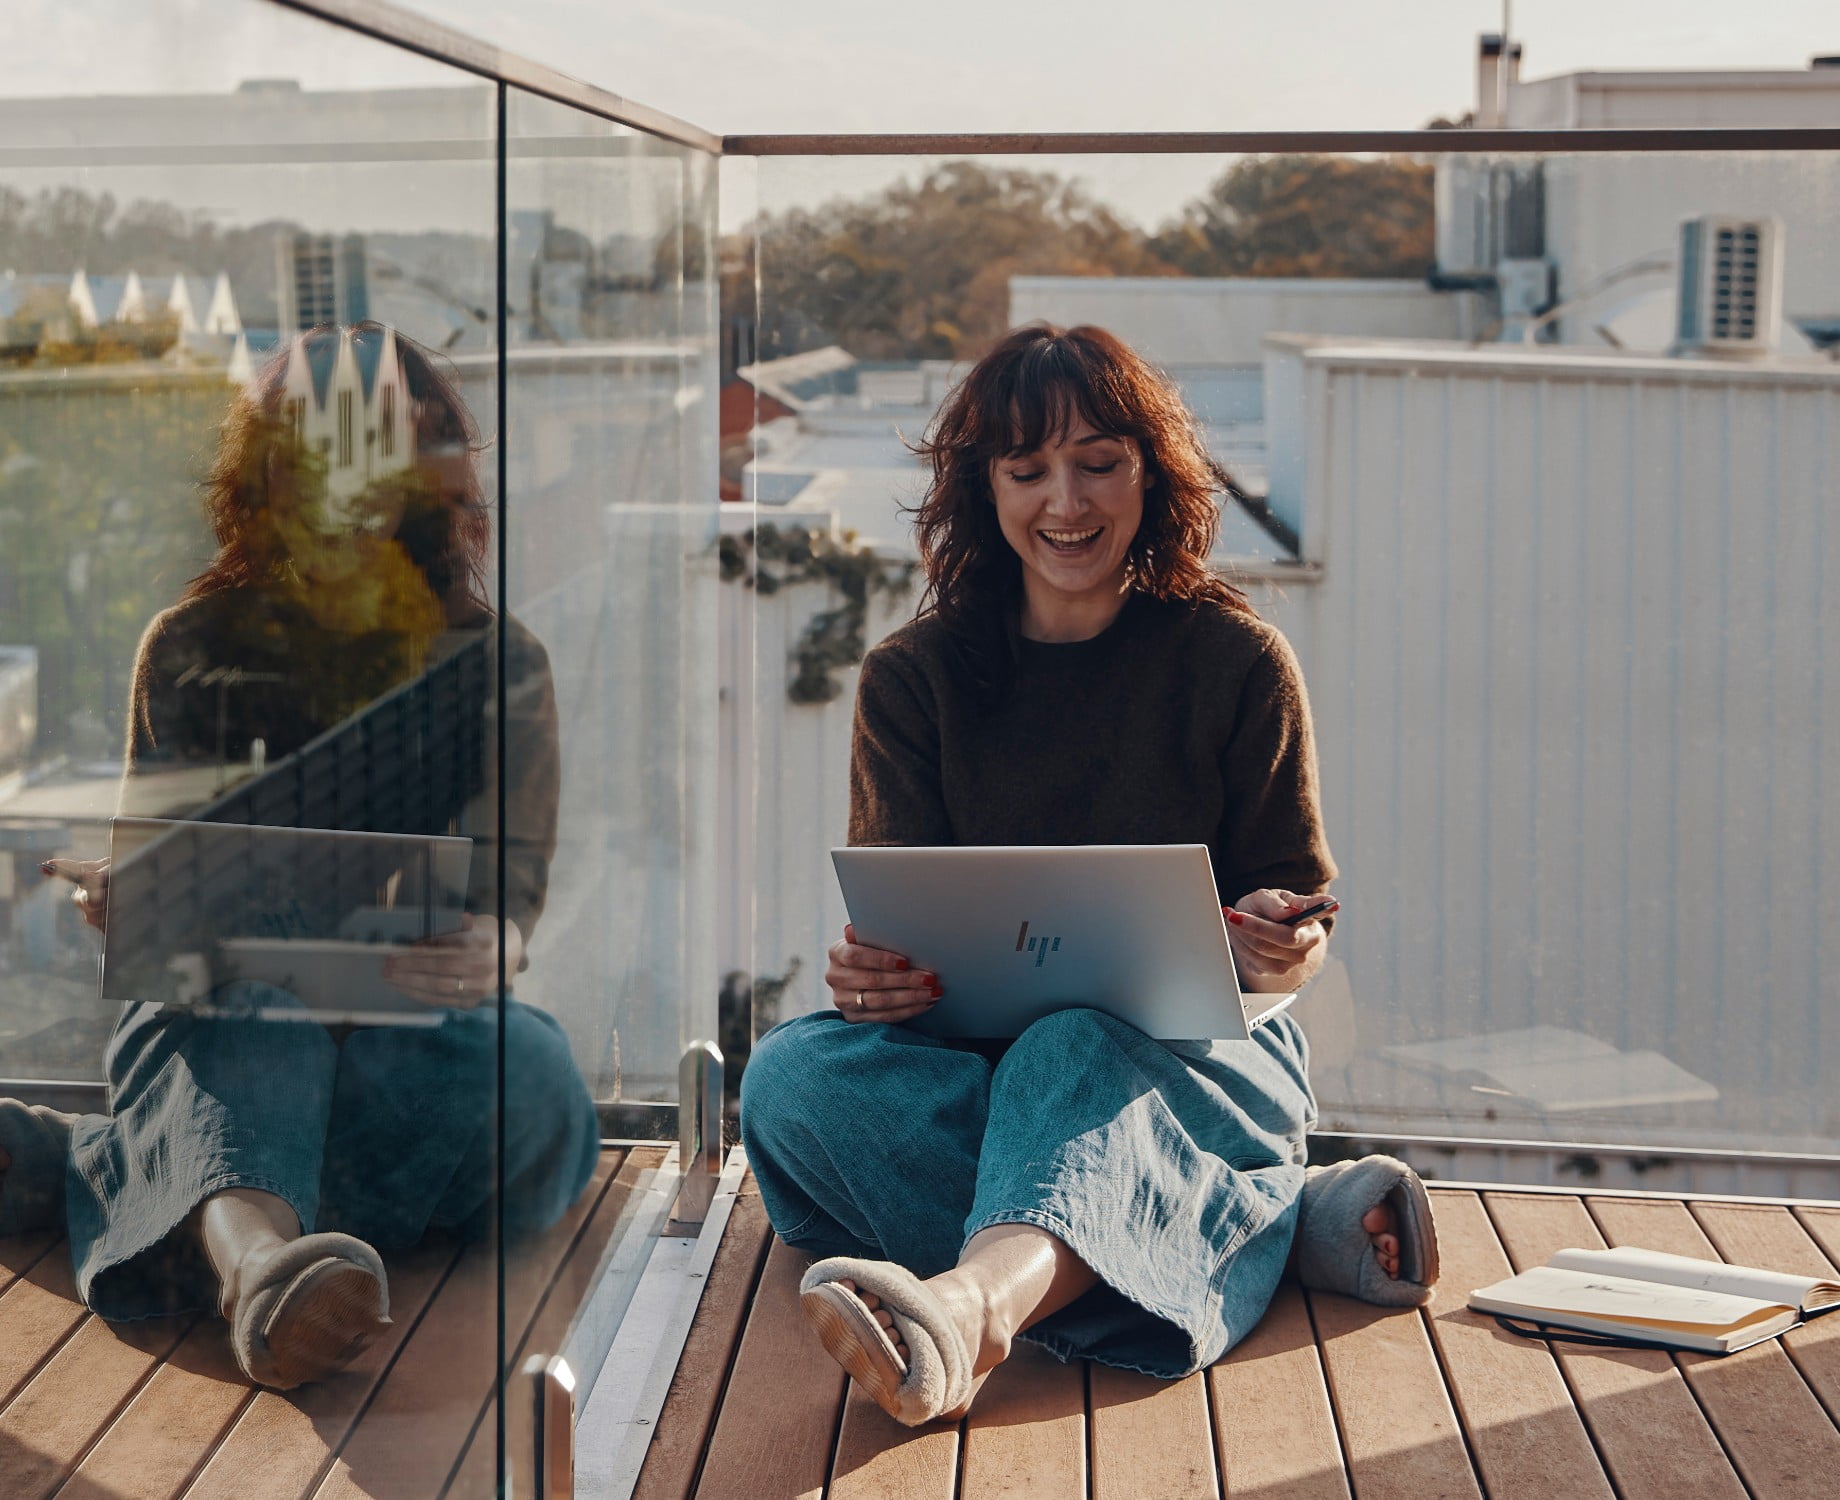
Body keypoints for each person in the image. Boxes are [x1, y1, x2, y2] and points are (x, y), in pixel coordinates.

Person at [740, 324, 1438, 1427]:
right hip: (975, 1070)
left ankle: (967, 1314)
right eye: (1027, 471)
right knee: (789, 1080)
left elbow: (1290, 913)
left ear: (1148, 475)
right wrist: (873, 983)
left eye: (1098, 462)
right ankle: (1251, 1224)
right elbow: (908, 933)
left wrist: (1280, 939)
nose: (1064, 501)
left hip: (1199, 1072)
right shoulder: (910, 681)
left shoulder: (1236, 662)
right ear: (985, 490)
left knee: (1068, 1045)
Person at [0, 324, 599, 1389]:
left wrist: (493, 947)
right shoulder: (189, 646)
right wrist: (122, 902)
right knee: (257, 1008)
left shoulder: (498, 661)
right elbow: (164, 906)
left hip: (407, 1030)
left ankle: (108, 1166)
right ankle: (260, 1273)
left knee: (541, 1087)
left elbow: (512, 892)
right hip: (226, 1019)